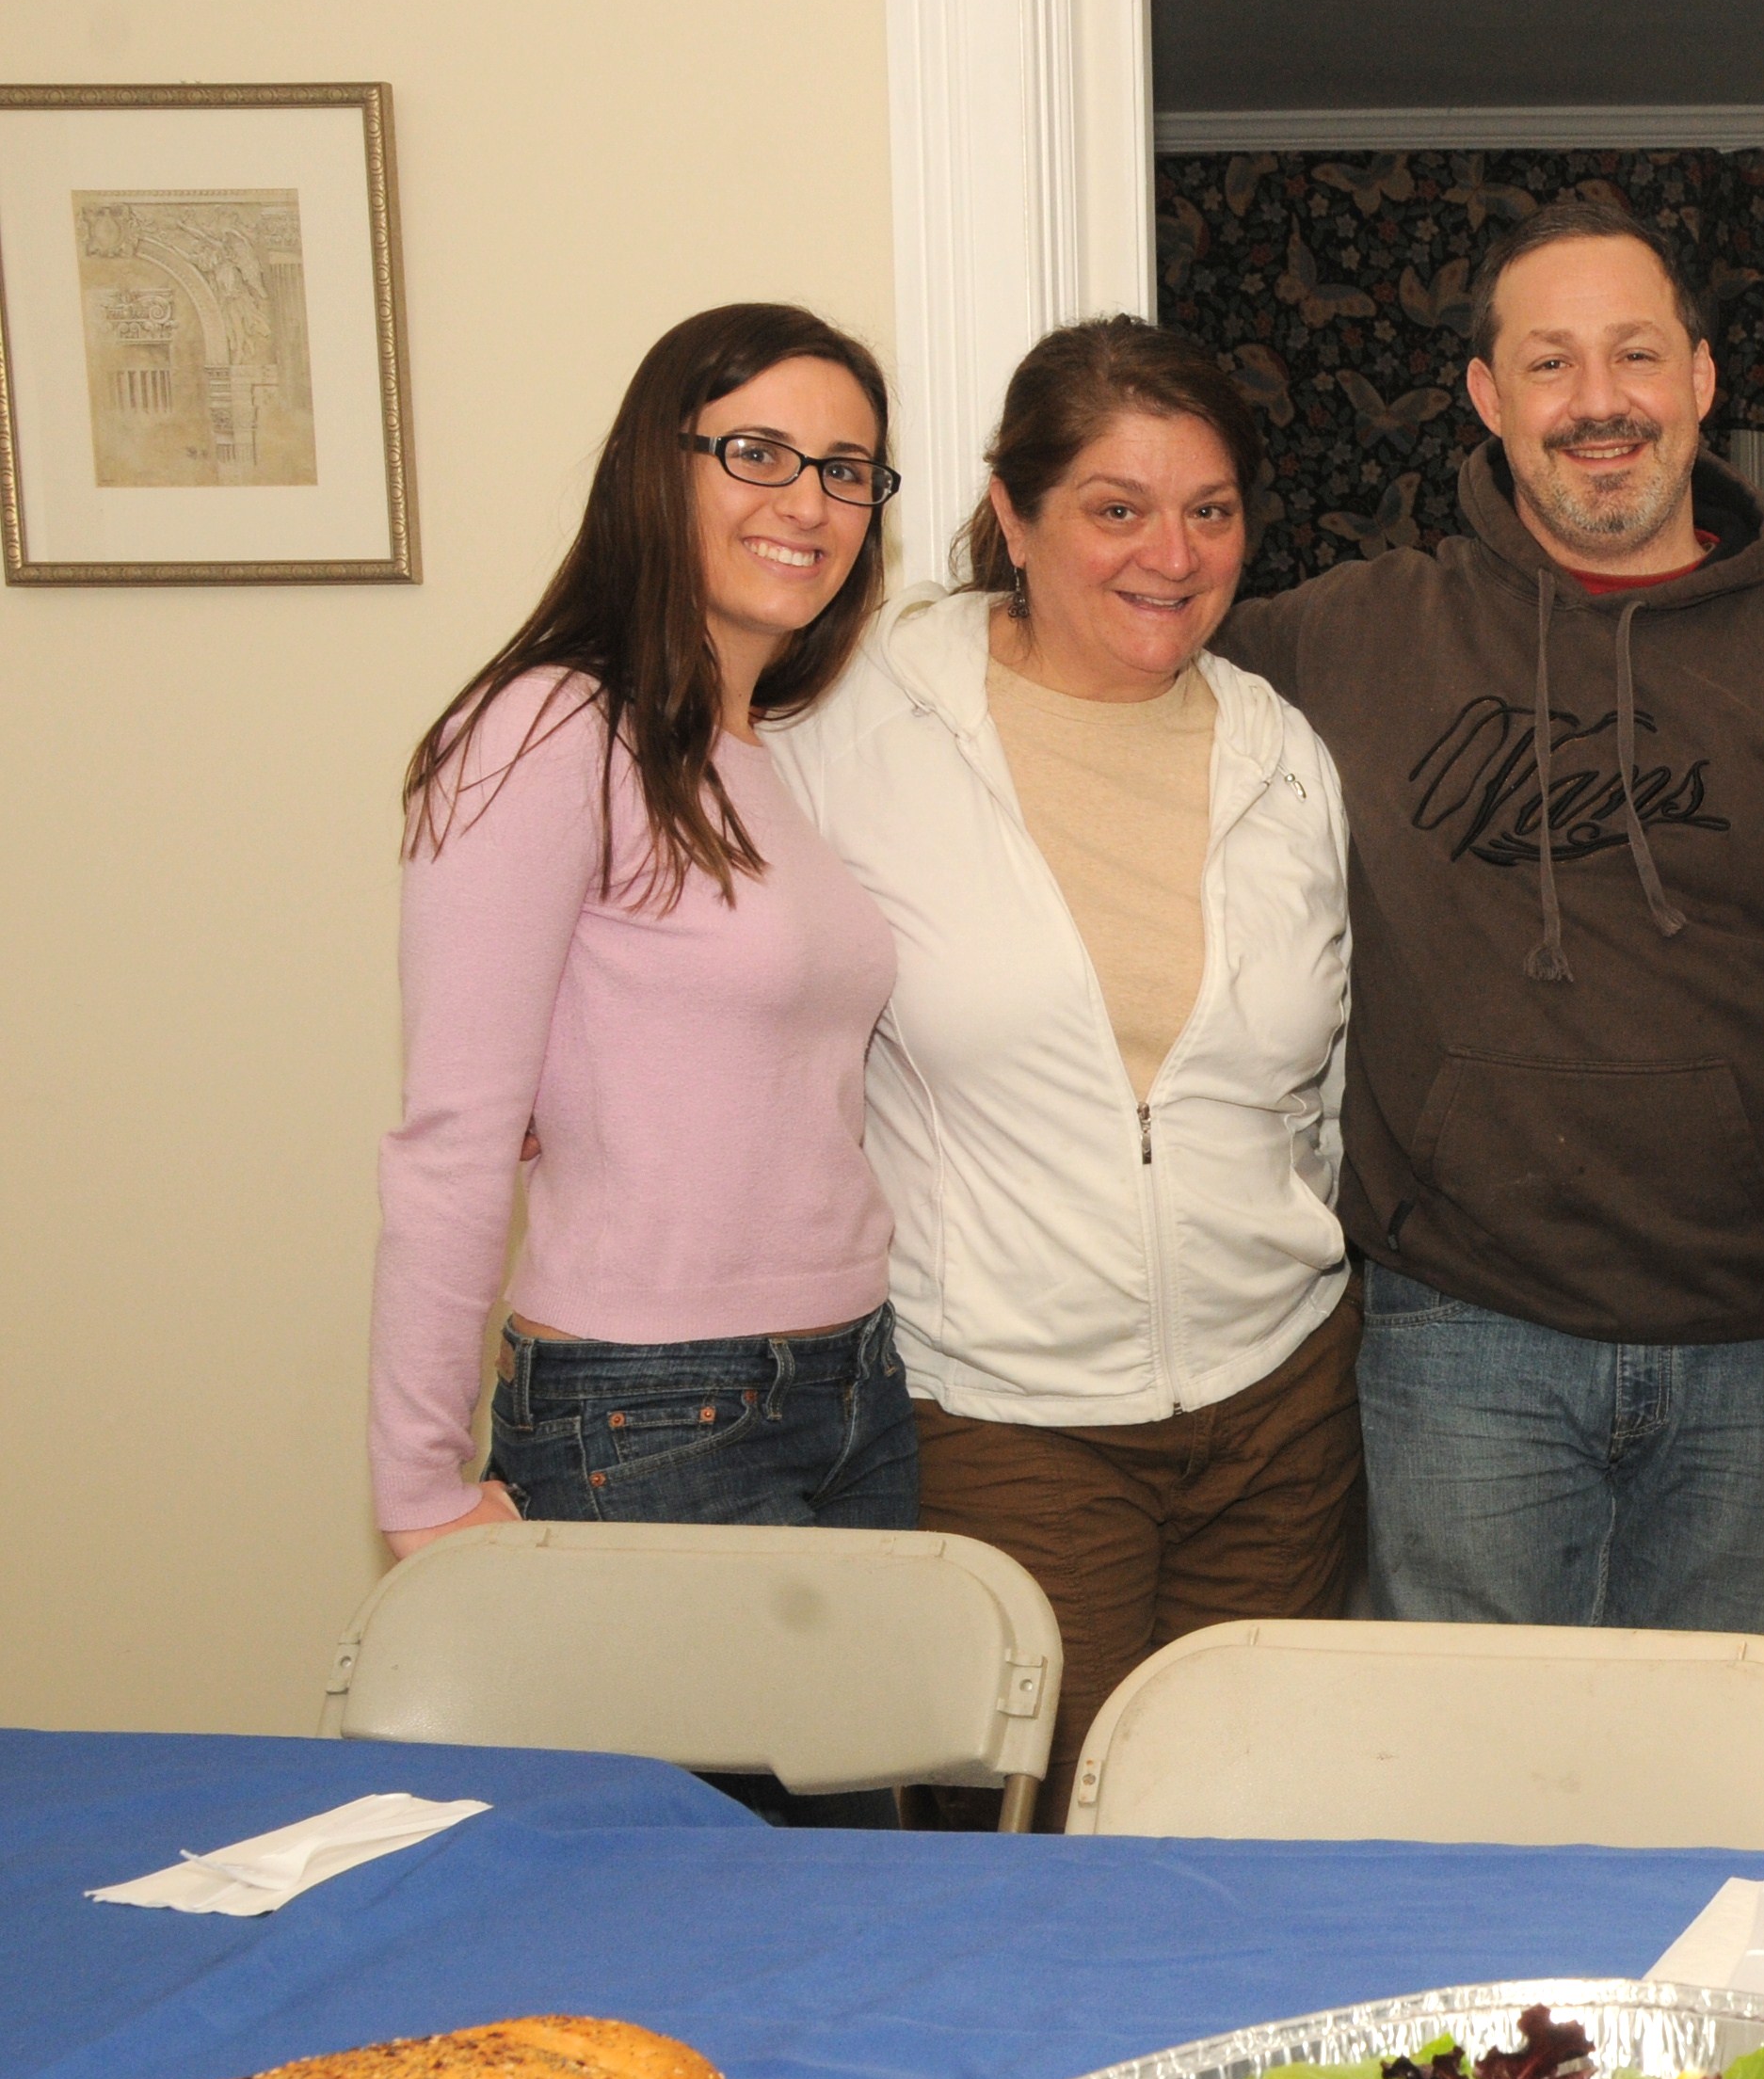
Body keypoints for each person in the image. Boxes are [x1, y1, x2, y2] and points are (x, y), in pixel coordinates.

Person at [1211, 200, 1764, 1637]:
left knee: (1715, 1787)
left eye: (1636, 355)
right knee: (1472, 1797)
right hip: (1461, 1330)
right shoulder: (1342, 638)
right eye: (1549, 364)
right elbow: (1110, 629)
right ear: (1485, 398)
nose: (1600, 404)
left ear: (1703, 381)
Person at [770, 317, 1354, 1785]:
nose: (1171, 553)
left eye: (1210, 510)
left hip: (1280, 1409)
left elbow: (1320, 1089)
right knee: (1044, 1847)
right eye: (1116, 508)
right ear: (1010, 517)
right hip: (1007, 1420)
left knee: (1246, 1826)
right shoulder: (852, 724)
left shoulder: (1286, 754)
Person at [373, 302, 909, 1563]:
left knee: (855, 1772)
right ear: (653, 470)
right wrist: (418, 1487)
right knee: (700, 1779)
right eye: (757, 452)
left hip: (856, 1385)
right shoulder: (546, 729)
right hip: (649, 1402)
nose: (810, 503)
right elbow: (453, 1135)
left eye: (846, 472)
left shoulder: (762, 758)